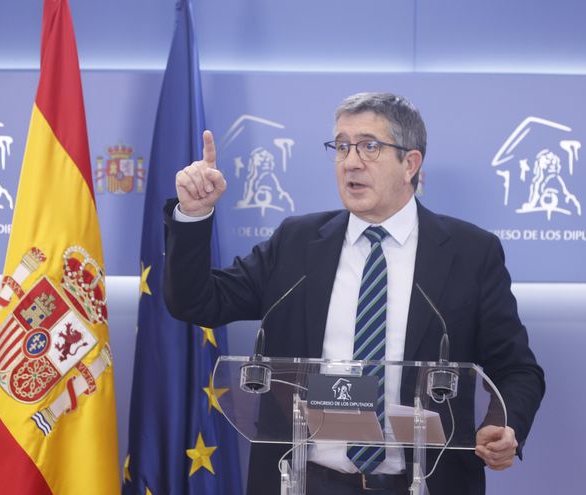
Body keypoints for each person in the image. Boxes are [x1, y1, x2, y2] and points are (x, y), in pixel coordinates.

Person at [163, 92, 545, 494]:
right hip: (305, 482)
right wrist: (193, 214)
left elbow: (518, 369)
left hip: (421, 484)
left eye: (369, 146)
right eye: (341, 146)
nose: (350, 161)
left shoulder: (470, 253)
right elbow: (196, 300)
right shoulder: (297, 242)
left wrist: (505, 424)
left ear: (410, 164)